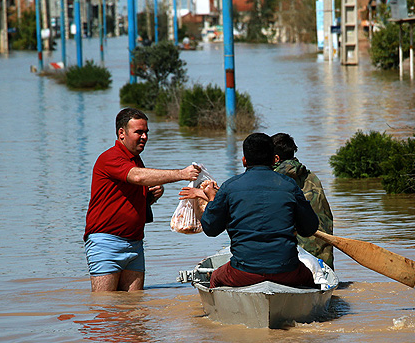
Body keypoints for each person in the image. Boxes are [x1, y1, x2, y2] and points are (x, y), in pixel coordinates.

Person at [181, 132, 320, 289]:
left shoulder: (229, 187)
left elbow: (210, 229)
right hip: (287, 270)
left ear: (244, 161)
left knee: (215, 278)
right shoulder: (290, 185)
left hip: (243, 272)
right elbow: (309, 229)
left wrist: (212, 199)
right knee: (310, 280)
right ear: (273, 159)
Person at [84, 108, 200, 292]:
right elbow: (137, 177)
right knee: (105, 306)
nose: (144, 137)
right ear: (121, 133)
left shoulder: (136, 160)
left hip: (135, 242)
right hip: (106, 243)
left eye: (146, 132)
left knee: (135, 304)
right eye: (139, 132)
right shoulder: (110, 157)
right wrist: (182, 174)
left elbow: (129, 199)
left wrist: (150, 198)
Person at [271, 132, 334, 269]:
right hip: (323, 256)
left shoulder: (273, 180)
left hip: (298, 257)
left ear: (275, 158)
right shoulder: (311, 176)